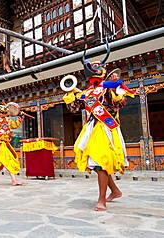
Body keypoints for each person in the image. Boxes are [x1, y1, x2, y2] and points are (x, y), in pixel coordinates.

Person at [63, 41, 134, 211]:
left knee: (100, 163)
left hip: (105, 128)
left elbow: (121, 103)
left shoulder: (108, 88)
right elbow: (75, 108)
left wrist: (115, 87)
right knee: (94, 164)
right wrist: (70, 95)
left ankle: (101, 199)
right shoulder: (86, 93)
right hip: (91, 129)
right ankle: (115, 191)